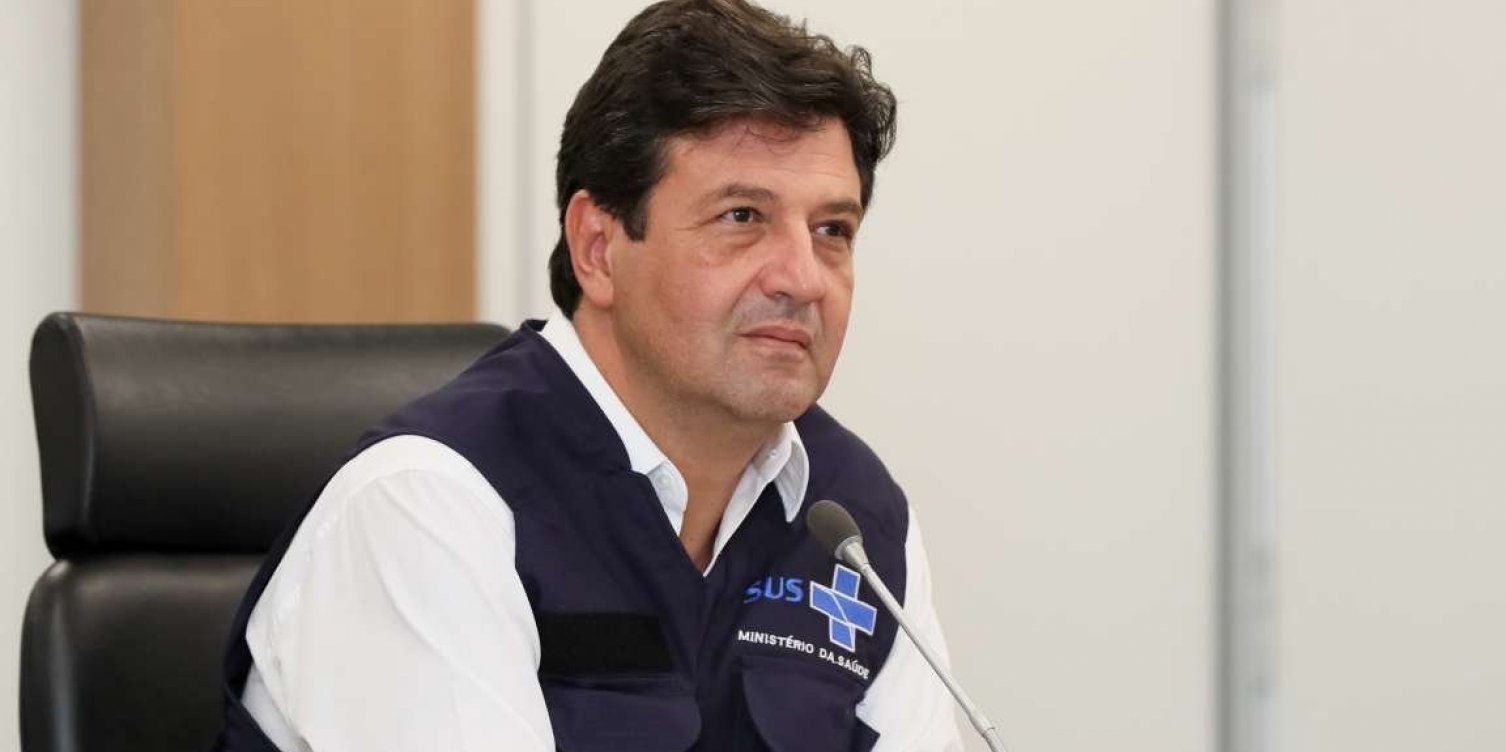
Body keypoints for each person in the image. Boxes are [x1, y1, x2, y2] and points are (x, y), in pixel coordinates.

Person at [213, 0, 962, 749]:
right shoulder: (427, 505)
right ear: (598, 249)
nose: (803, 277)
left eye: (832, 230)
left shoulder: (856, 519)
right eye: (741, 217)